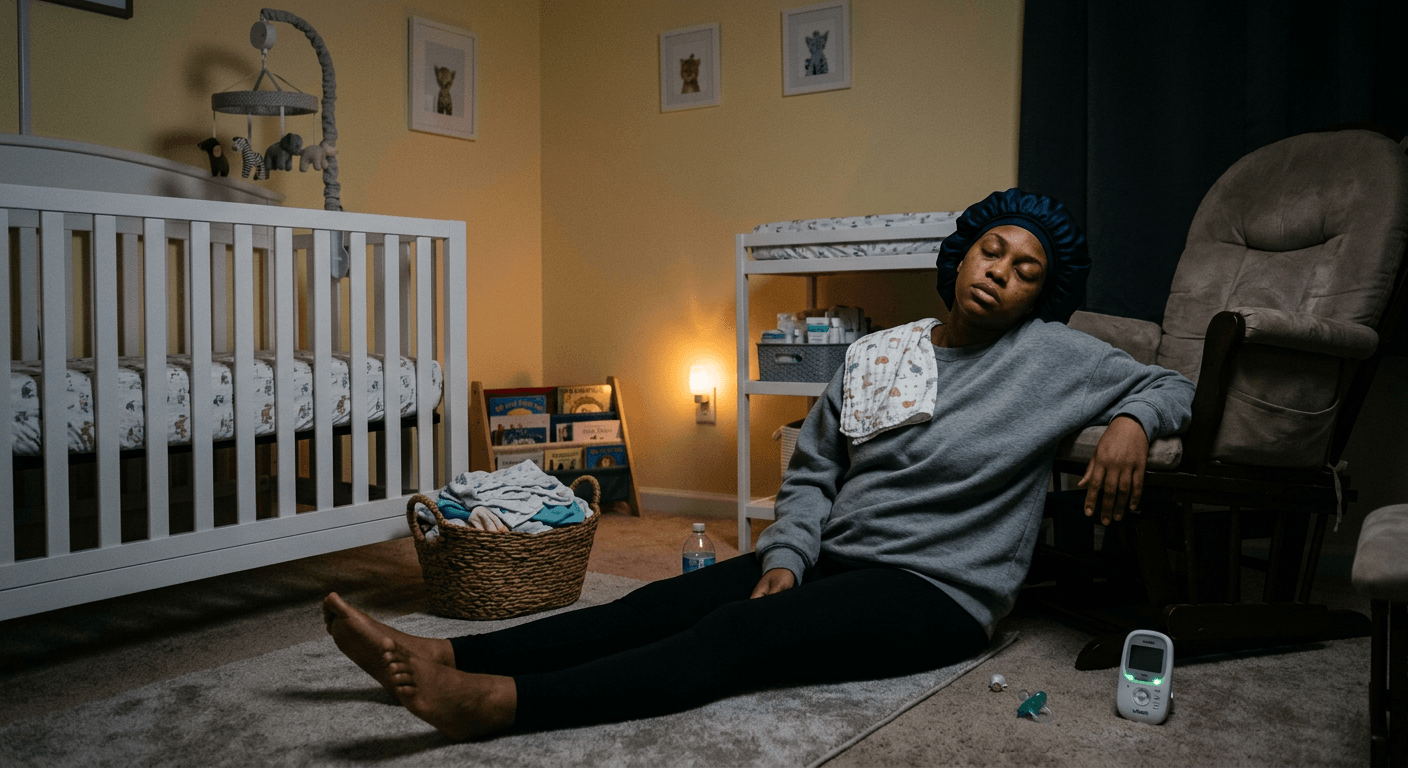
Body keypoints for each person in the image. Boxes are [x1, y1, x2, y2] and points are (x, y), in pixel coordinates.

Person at [322, 188, 1196, 741]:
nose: (1002, 274)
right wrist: (785, 558)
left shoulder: (1051, 357)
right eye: (992, 252)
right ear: (962, 254)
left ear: (1044, 293)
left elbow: (1174, 382)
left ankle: (501, 705)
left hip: (938, 594)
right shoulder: (875, 355)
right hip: (832, 562)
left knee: (735, 637)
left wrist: (1127, 421)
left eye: (1027, 270)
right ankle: (440, 655)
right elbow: (814, 473)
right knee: (662, 601)